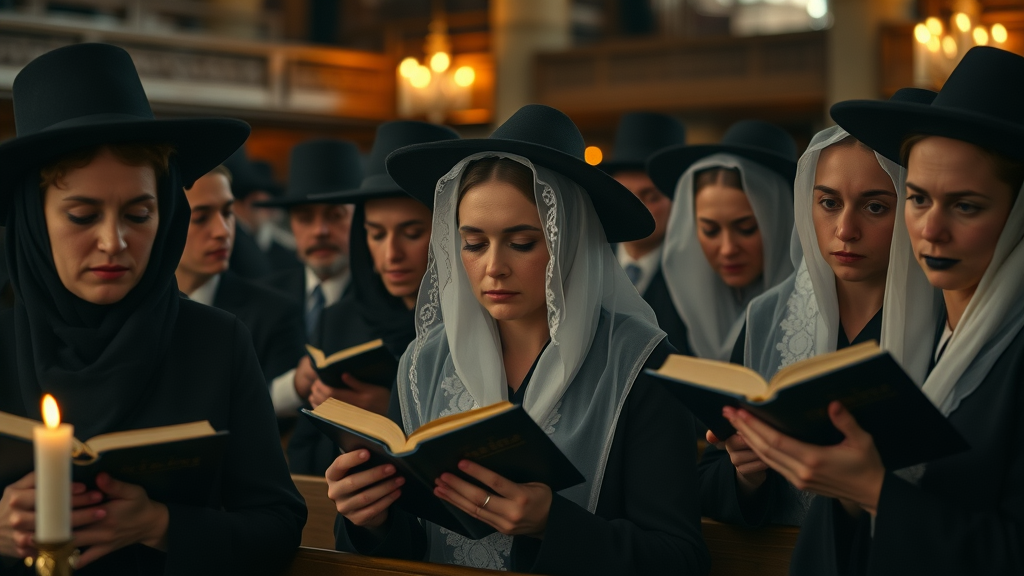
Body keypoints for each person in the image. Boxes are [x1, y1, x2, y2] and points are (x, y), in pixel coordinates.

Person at [325, 105, 710, 574]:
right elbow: (410, 543)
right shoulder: (423, 362)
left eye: (522, 242)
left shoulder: (639, 366)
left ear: (568, 239)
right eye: (473, 243)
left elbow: (681, 559)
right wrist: (369, 516)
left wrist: (552, 523)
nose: (493, 267)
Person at [0, 43, 305, 575]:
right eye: (81, 215)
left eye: (139, 214)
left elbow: (278, 527)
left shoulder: (216, 340)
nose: (114, 242)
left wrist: (161, 525)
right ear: (33, 221)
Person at [729, 46, 1024, 575]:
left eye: (965, 205)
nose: (930, 230)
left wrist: (870, 488)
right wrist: (849, 487)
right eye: (917, 198)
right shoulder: (946, 334)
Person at [699, 88, 939, 529]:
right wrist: (746, 472)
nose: (845, 229)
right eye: (829, 203)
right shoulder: (769, 316)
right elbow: (709, 477)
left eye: (875, 206)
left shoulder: (949, 318)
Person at [286, 120, 459, 476]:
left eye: (411, 233)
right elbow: (303, 455)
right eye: (376, 234)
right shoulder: (339, 320)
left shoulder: (480, 326)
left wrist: (393, 413)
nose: (391, 254)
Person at [647, 120, 796, 359]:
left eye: (746, 228)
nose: (727, 249)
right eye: (710, 231)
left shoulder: (814, 307)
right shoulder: (665, 305)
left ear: (779, 226)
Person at [258, 139, 363, 417]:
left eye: (335, 215)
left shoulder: (382, 298)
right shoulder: (264, 297)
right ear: (291, 225)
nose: (320, 231)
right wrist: (293, 386)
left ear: (360, 220)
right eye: (305, 218)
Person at [175, 165, 306, 386]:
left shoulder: (274, 314)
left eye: (227, 213)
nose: (222, 231)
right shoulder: (134, 311)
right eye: (200, 218)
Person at [599, 112, 688, 344]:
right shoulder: (590, 261)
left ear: (676, 202)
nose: (636, 207)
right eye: (625, 194)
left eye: (651, 196)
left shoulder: (691, 278)